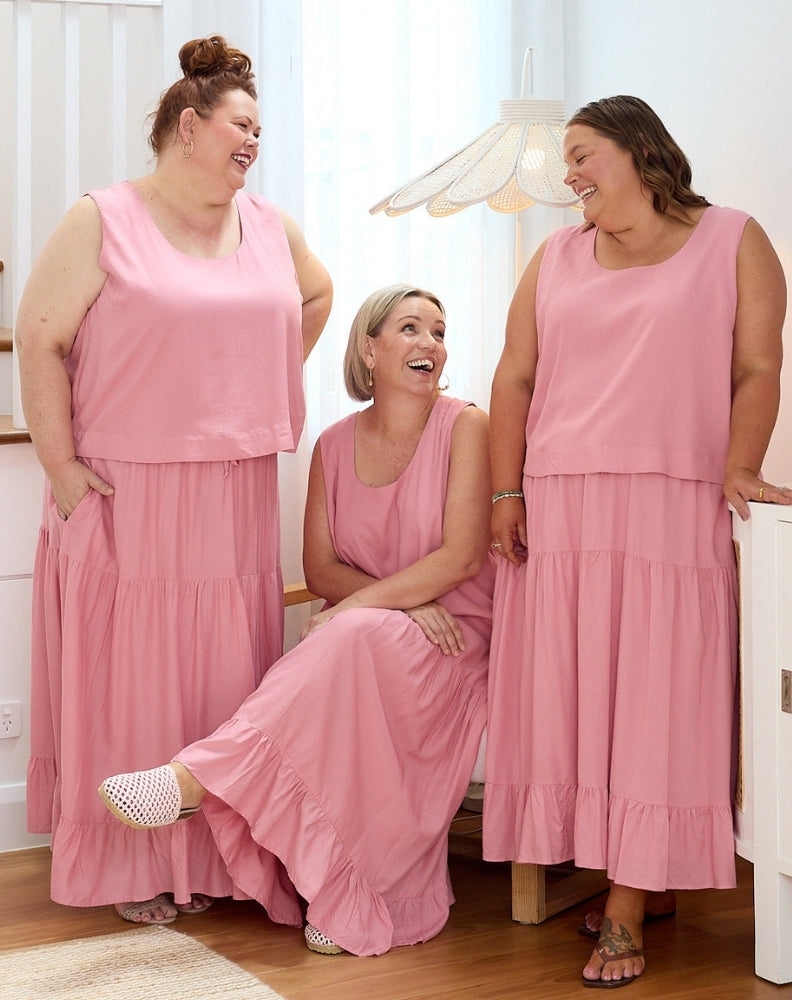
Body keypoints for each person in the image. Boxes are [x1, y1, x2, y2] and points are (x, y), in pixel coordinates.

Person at [15, 35, 332, 927]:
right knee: (131, 677)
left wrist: (258, 383)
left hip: (233, 489)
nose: (254, 142)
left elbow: (315, 296)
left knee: (222, 676)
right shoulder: (102, 219)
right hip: (126, 488)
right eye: (242, 125)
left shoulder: (271, 226)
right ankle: (130, 864)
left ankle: (218, 862)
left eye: (260, 130)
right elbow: (38, 337)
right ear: (187, 127)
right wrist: (61, 466)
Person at [482, 95, 790, 988]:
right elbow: (516, 375)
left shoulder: (734, 240)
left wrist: (740, 465)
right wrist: (506, 489)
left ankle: (627, 902)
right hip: (563, 498)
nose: (569, 173)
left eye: (581, 153)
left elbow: (757, 366)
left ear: (638, 149)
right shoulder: (555, 257)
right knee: (581, 699)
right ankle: (636, 878)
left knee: (662, 700)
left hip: (672, 500)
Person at [96, 284, 494, 956]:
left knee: (351, 630)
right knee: (352, 635)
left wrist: (364, 608)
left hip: (453, 643)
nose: (429, 342)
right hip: (369, 640)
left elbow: (461, 559)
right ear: (369, 349)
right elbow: (322, 569)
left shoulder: (467, 427)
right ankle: (341, 889)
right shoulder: (333, 445)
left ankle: (196, 779)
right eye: (409, 328)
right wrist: (395, 603)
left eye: (438, 330)